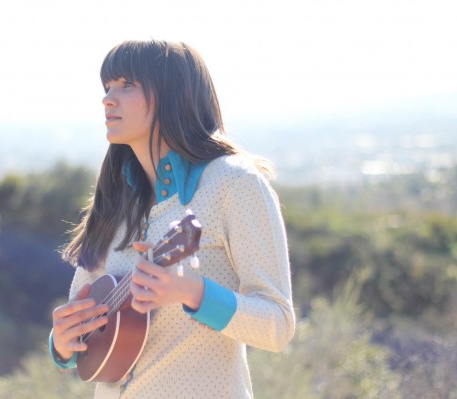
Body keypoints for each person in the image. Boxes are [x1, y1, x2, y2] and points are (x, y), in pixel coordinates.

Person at [49, 39, 295, 399]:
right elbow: (82, 318)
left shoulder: (234, 184)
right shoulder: (115, 202)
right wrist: (62, 343)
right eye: (107, 87)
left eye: (126, 84)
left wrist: (194, 292)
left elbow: (278, 324)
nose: (108, 98)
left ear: (172, 94)